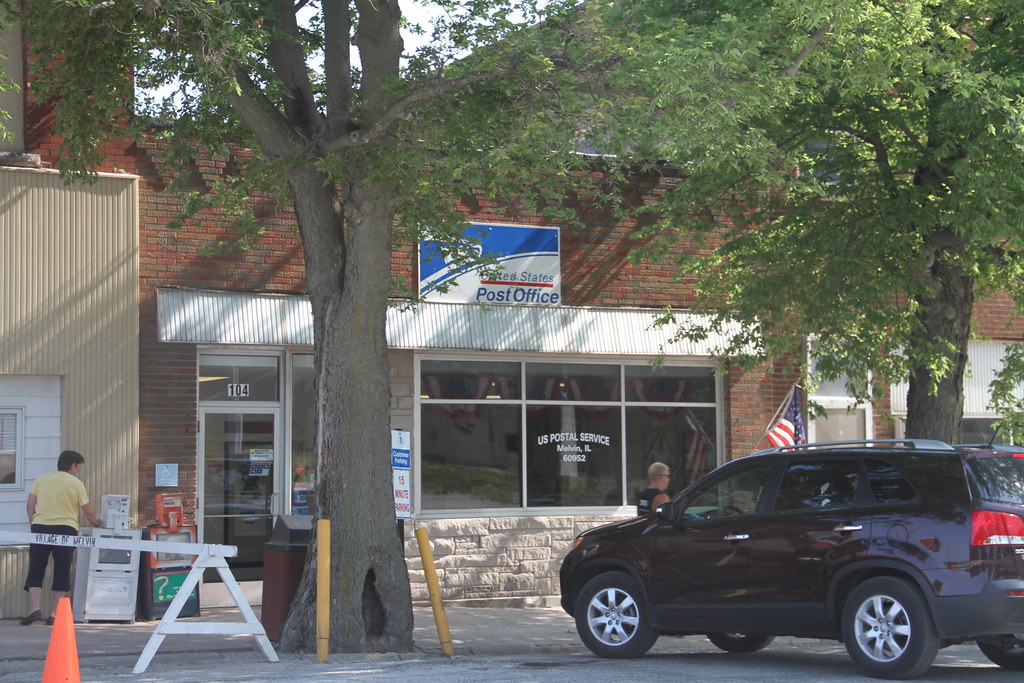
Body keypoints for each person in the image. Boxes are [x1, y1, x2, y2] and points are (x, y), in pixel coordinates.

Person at [21, 449, 102, 626]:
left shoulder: (42, 479)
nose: (78, 470)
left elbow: (30, 505)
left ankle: (35, 608)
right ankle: (54, 614)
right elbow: (87, 509)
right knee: (62, 569)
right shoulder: (76, 483)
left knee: (36, 567)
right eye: (78, 467)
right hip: (65, 529)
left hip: (40, 527)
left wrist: (33, 523)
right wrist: (96, 522)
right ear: (73, 465)